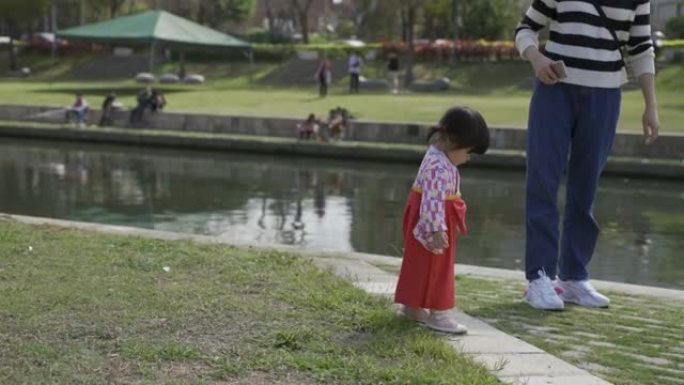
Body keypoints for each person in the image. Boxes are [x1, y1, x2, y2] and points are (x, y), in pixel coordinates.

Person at [516, 0, 660, 310]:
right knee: (543, 180)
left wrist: (651, 105)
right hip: (555, 92)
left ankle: (573, 279)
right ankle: (539, 277)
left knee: (586, 188)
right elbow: (526, 28)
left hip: (605, 96)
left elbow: (642, 47)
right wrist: (536, 59)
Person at [394, 107, 490, 334]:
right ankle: (439, 313)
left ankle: (412, 306)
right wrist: (437, 229)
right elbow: (433, 200)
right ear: (452, 140)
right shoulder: (438, 167)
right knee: (438, 267)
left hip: (427, 216)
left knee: (419, 265)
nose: (467, 159)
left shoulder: (436, 156)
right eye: (468, 152)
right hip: (433, 220)